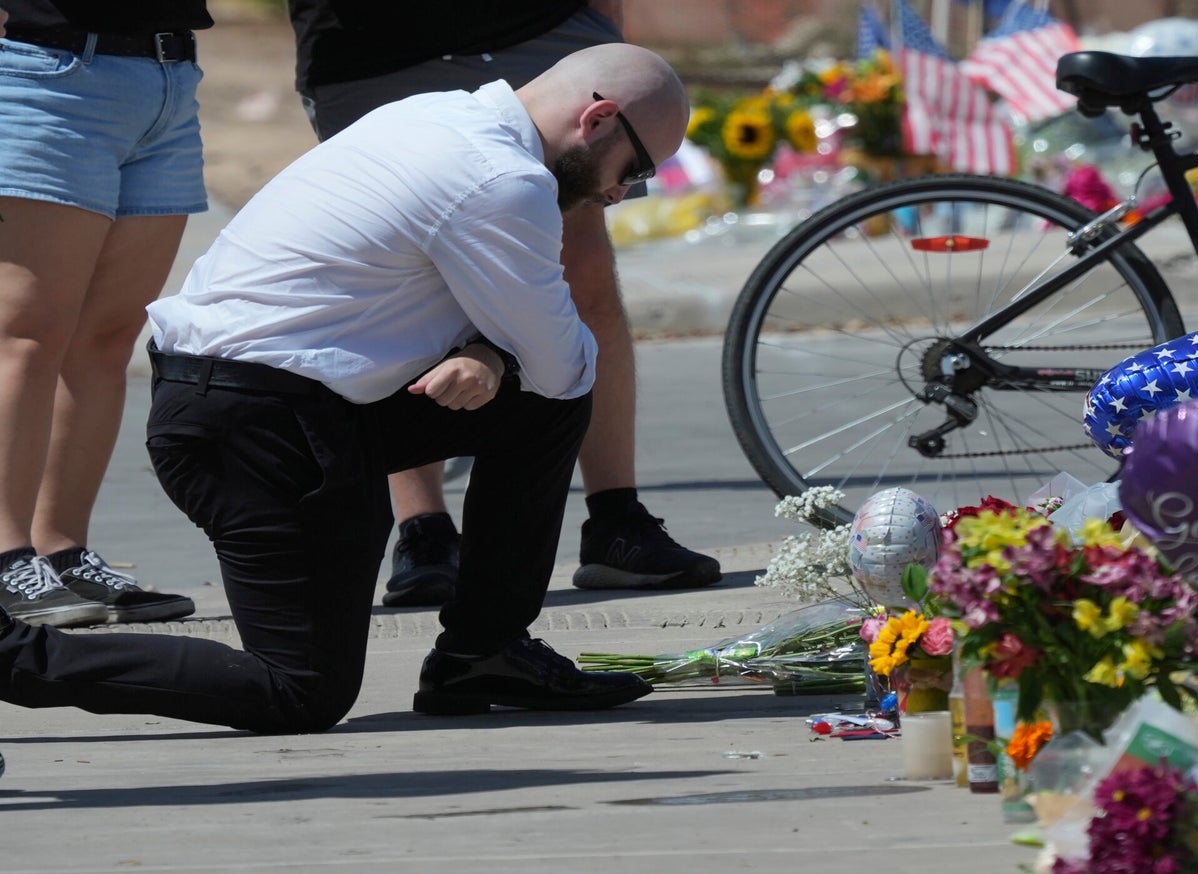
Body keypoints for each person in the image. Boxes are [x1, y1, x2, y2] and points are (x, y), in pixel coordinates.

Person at [0, 42, 686, 733]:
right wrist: (500, 353)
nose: (621, 192)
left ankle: (485, 653)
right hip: (254, 431)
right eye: (638, 169)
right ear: (596, 120)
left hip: (266, 405)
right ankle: (15, 655)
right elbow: (566, 364)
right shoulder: (499, 180)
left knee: (535, 408)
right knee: (299, 691)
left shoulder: (434, 115)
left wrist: (493, 355)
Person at [288, 0, 722, 607]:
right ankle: (424, 529)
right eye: (638, 170)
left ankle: (615, 518)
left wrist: (604, 44)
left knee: (578, 293)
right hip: (377, 43)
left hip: (538, 24)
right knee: (409, 280)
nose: (629, 192)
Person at [0, 1, 200, 627]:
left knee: (107, 340)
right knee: (28, 335)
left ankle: (61, 553)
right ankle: (6, 560)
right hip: (44, 71)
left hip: (167, 78)